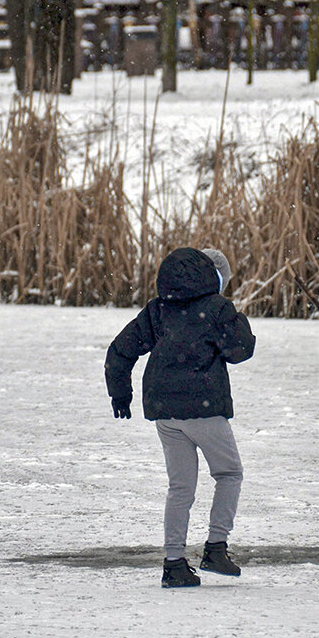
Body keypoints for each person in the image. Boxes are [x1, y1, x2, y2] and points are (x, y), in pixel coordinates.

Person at [105, 247, 255, 587]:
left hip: (166, 412)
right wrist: (236, 319)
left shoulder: (158, 309)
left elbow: (121, 349)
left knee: (181, 487)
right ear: (215, 279)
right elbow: (241, 351)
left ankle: (174, 564)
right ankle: (216, 547)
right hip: (204, 408)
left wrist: (120, 393)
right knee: (229, 474)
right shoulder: (217, 308)